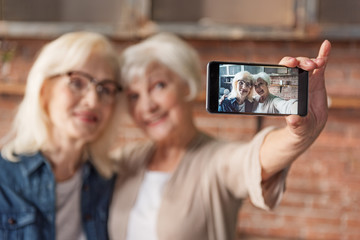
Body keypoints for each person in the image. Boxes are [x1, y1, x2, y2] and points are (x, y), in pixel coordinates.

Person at [108, 33, 331, 240]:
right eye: (134, 96)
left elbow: (251, 160)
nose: (147, 106)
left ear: (187, 85)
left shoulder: (215, 160)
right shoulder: (125, 160)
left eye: (159, 85)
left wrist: (297, 136)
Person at [0, 32, 122, 240]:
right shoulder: (4, 179)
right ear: (44, 90)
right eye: (77, 83)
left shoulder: (111, 182)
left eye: (105, 89)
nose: (93, 101)